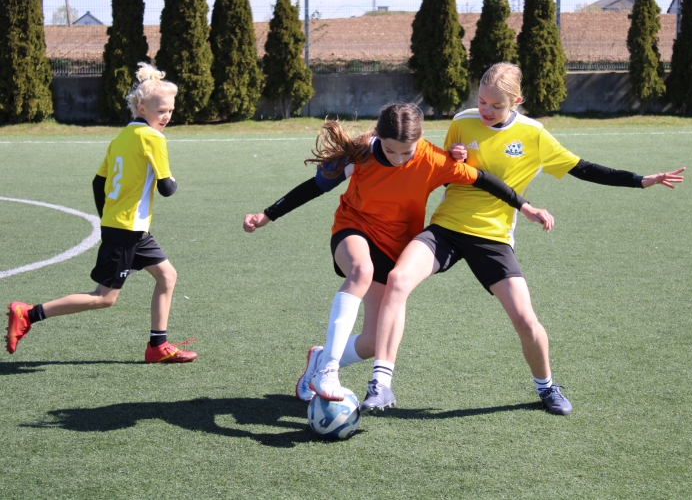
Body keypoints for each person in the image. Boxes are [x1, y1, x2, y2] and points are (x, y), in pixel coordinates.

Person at [359, 62, 685, 415]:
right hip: (447, 226)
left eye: (496, 105)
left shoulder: (534, 134)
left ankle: (547, 387)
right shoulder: (463, 121)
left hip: (493, 236)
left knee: (525, 320)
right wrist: (456, 158)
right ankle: (381, 384)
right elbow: (451, 175)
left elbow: (583, 168)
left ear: (517, 101)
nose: (486, 110)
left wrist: (639, 180)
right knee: (398, 279)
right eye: (482, 101)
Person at [243, 103, 553, 402]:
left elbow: (482, 178)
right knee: (361, 271)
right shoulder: (361, 154)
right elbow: (314, 187)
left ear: (420, 139)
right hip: (353, 230)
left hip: (393, 248)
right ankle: (329, 370)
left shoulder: (433, 159)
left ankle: (319, 359)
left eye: (407, 152)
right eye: (391, 151)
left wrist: (524, 206)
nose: (398, 158)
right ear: (379, 135)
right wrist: (267, 215)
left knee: (373, 342)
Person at [5, 63, 197, 363]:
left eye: (171, 110)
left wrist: (107, 220)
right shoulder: (153, 138)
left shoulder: (120, 138)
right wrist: (173, 180)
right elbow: (167, 188)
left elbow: (98, 183)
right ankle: (29, 314)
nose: (167, 116)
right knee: (104, 298)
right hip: (127, 229)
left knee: (167, 276)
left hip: (128, 228)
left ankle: (157, 346)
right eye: (162, 111)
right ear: (142, 108)